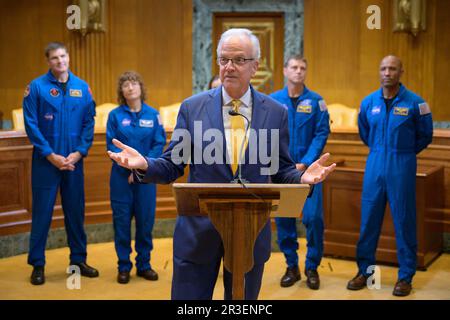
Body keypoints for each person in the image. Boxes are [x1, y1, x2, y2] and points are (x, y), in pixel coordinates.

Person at [108, 28, 336, 300]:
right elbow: (172, 165)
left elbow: (280, 170)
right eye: (223, 59)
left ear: (255, 66)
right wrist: (145, 163)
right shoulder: (192, 108)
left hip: (249, 230)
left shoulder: (275, 113)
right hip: (198, 231)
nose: (229, 67)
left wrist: (301, 179)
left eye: (239, 60)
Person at [347, 55, 433, 297]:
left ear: (400, 72)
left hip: (402, 163)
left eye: (392, 68)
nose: (387, 72)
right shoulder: (368, 102)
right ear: (379, 71)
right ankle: (366, 272)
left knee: (404, 220)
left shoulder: (416, 103)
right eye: (383, 68)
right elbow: (365, 132)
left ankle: (405, 276)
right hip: (374, 162)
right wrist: (380, 149)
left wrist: (403, 152)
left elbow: (425, 136)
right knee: (368, 221)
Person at [23, 42, 99, 285]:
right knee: (42, 214)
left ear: (68, 57)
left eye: (63, 56)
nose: (60, 61)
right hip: (47, 162)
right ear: (48, 61)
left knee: (75, 213)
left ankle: (78, 260)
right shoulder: (36, 87)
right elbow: (31, 124)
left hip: (74, 162)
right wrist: (50, 154)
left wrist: (79, 152)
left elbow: (89, 122)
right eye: (54, 57)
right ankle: (37, 264)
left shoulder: (82, 87)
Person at [270, 55, 330, 290]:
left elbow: (321, 133)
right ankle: (291, 266)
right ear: (285, 70)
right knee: (284, 220)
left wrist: (305, 163)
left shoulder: (317, 102)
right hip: (282, 172)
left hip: (311, 171)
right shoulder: (273, 101)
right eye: (294, 67)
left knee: (314, 219)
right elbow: (268, 135)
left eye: (302, 68)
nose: (298, 71)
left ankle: (312, 267)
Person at [106, 71, 166, 284]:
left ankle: (144, 265)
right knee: (121, 224)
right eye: (125, 85)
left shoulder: (153, 114)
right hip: (121, 180)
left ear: (141, 87)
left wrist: (141, 170)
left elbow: (159, 144)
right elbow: (111, 146)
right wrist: (130, 169)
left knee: (145, 223)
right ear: (121, 91)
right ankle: (123, 266)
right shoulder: (114, 116)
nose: (130, 88)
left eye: (133, 84)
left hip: (146, 180)